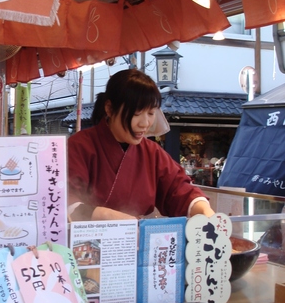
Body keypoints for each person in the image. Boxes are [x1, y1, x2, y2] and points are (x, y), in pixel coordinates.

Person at [67, 69, 215, 221]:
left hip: (138, 238)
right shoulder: (78, 147)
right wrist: (106, 216)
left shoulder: (152, 152)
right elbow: (65, 202)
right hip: (86, 240)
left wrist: (203, 210)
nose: (145, 124)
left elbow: (178, 189)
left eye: (151, 114)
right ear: (110, 108)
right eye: (137, 113)